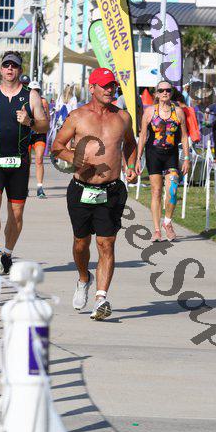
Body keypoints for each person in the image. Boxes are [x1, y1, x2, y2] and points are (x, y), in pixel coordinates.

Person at [52, 67, 137, 321]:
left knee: (106, 243)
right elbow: (57, 146)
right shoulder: (77, 116)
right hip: (81, 190)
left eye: (112, 86)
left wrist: (131, 166)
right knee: (81, 244)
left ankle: (101, 299)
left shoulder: (123, 117)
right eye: (105, 86)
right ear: (92, 88)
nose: (110, 90)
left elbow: (130, 144)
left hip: (111, 191)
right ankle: (83, 278)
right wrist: (74, 158)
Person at [0, 51, 49, 274]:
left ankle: (6, 254)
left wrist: (30, 121)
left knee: (16, 213)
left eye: (13, 66)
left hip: (19, 162)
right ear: (1, 69)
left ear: (20, 70)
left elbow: (44, 125)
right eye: (6, 65)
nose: (9, 69)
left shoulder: (31, 96)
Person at [136, 81, 190, 242]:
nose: (165, 92)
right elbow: (143, 136)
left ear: (171, 92)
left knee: (173, 190)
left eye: (168, 90)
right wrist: (138, 158)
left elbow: (184, 136)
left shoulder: (178, 112)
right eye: (161, 90)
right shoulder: (149, 112)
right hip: (153, 155)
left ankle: (167, 222)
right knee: (156, 191)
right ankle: (157, 230)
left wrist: (186, 158)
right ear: (156, 93)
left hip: (171, 155)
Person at [28, 80, 50, 198]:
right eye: (33, 90)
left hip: (39, 133)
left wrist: (44, 127)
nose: (36, 92)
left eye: (37, 90)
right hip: (27, 134)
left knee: (39, 159)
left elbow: (48, 118)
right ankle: (24, 186)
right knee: (25, 161)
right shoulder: (25, 101)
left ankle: (40, 187)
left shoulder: (43, 102)